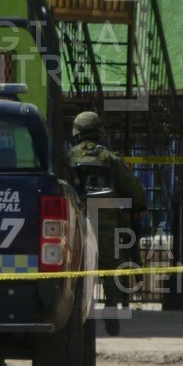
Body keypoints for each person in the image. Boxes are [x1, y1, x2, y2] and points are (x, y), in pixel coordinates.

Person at [69, 110, 147, 336]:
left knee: (76, 266)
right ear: (100, 133)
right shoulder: (111, 159)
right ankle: (112, 305)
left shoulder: (68, 158)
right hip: (106, 223)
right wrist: (139, 208)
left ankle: (76, 309)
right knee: (112, 265)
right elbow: (135, 190)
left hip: (77, 220)